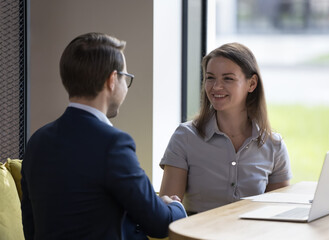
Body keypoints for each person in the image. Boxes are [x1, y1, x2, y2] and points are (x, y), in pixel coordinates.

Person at [21, 32, 186, 240]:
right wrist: (175, 206)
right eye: (125, 78)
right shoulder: (113, 144)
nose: (126, 86)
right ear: (112, 80)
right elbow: (160, 223)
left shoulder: (37, 141)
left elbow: (31, 226)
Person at [159, 42, 292, 214]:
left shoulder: (274, 146)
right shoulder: (185, 137)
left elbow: (278, 214)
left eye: (228, 78)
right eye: (210, 78)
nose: (216, 87)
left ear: (251, 84)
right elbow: (166, 213)